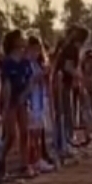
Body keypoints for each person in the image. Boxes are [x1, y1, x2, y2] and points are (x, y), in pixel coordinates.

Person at [0, 29, 34, 177]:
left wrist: (24, 95)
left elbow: (30, 81)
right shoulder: (7, 62)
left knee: (25, 132)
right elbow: (6, 84)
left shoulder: (25, 62)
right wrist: (6, 106)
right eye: (21, 38)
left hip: (22, 100)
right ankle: (0, 159)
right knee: (11, 135)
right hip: (10, 102)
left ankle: (24, 165)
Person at [53, 25, 89, 155]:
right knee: (64, 113)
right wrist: (78, 76)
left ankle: (66, 140)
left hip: (66, 84)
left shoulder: (72, 49)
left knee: (67, 113)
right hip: (61, 84)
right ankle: (64, 142)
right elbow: (67, 67)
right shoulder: (71, 49)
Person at [26, 35, 55, 174]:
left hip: (40, 100)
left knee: (38, 134)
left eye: (38, 49)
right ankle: (31, 161)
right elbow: (28, 82)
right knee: (32, 135)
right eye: (33, 49)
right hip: (31, 102)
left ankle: (37, 160)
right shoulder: (27, 64)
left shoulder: (38, 63)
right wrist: (38, 77)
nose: (35, 52)